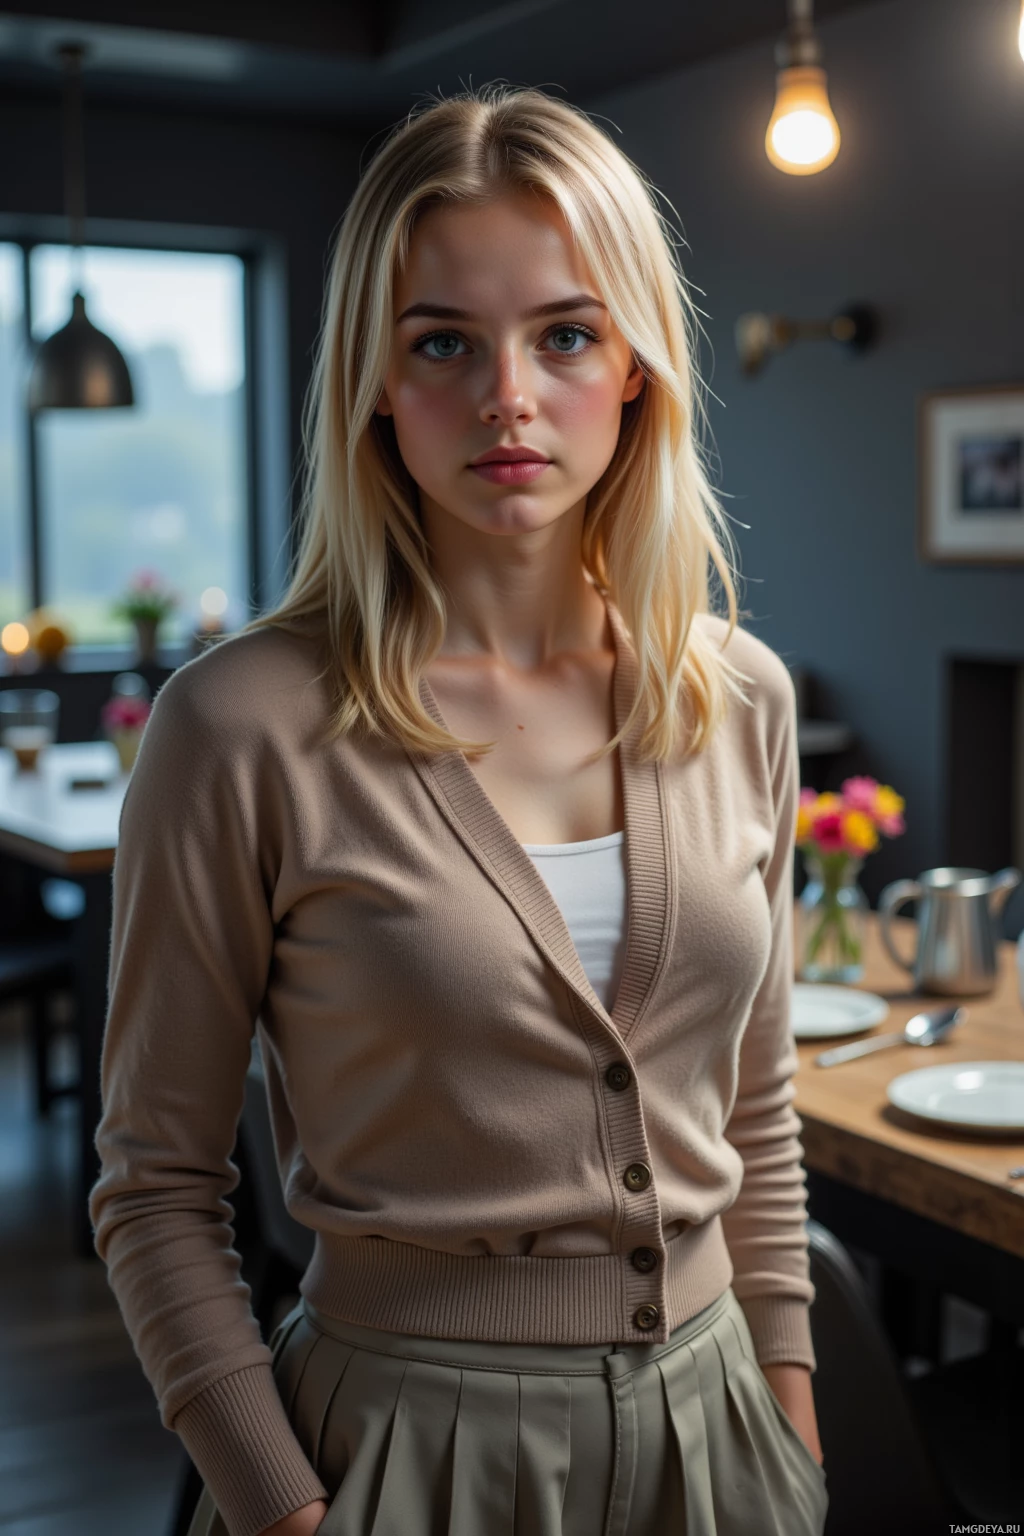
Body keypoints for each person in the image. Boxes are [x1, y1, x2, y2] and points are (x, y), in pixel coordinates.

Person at [89, 84, 828, 1536]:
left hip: (723, 1436)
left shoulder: (739, 696)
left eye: (564, 334)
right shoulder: (240, 725)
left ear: (637, 367)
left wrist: (791, 1438)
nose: (508, 397)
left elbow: (759, 1108)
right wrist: (287, 1513)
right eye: (444, 342)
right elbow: (155, 1188)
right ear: (374, 376)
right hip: (403, 1454)